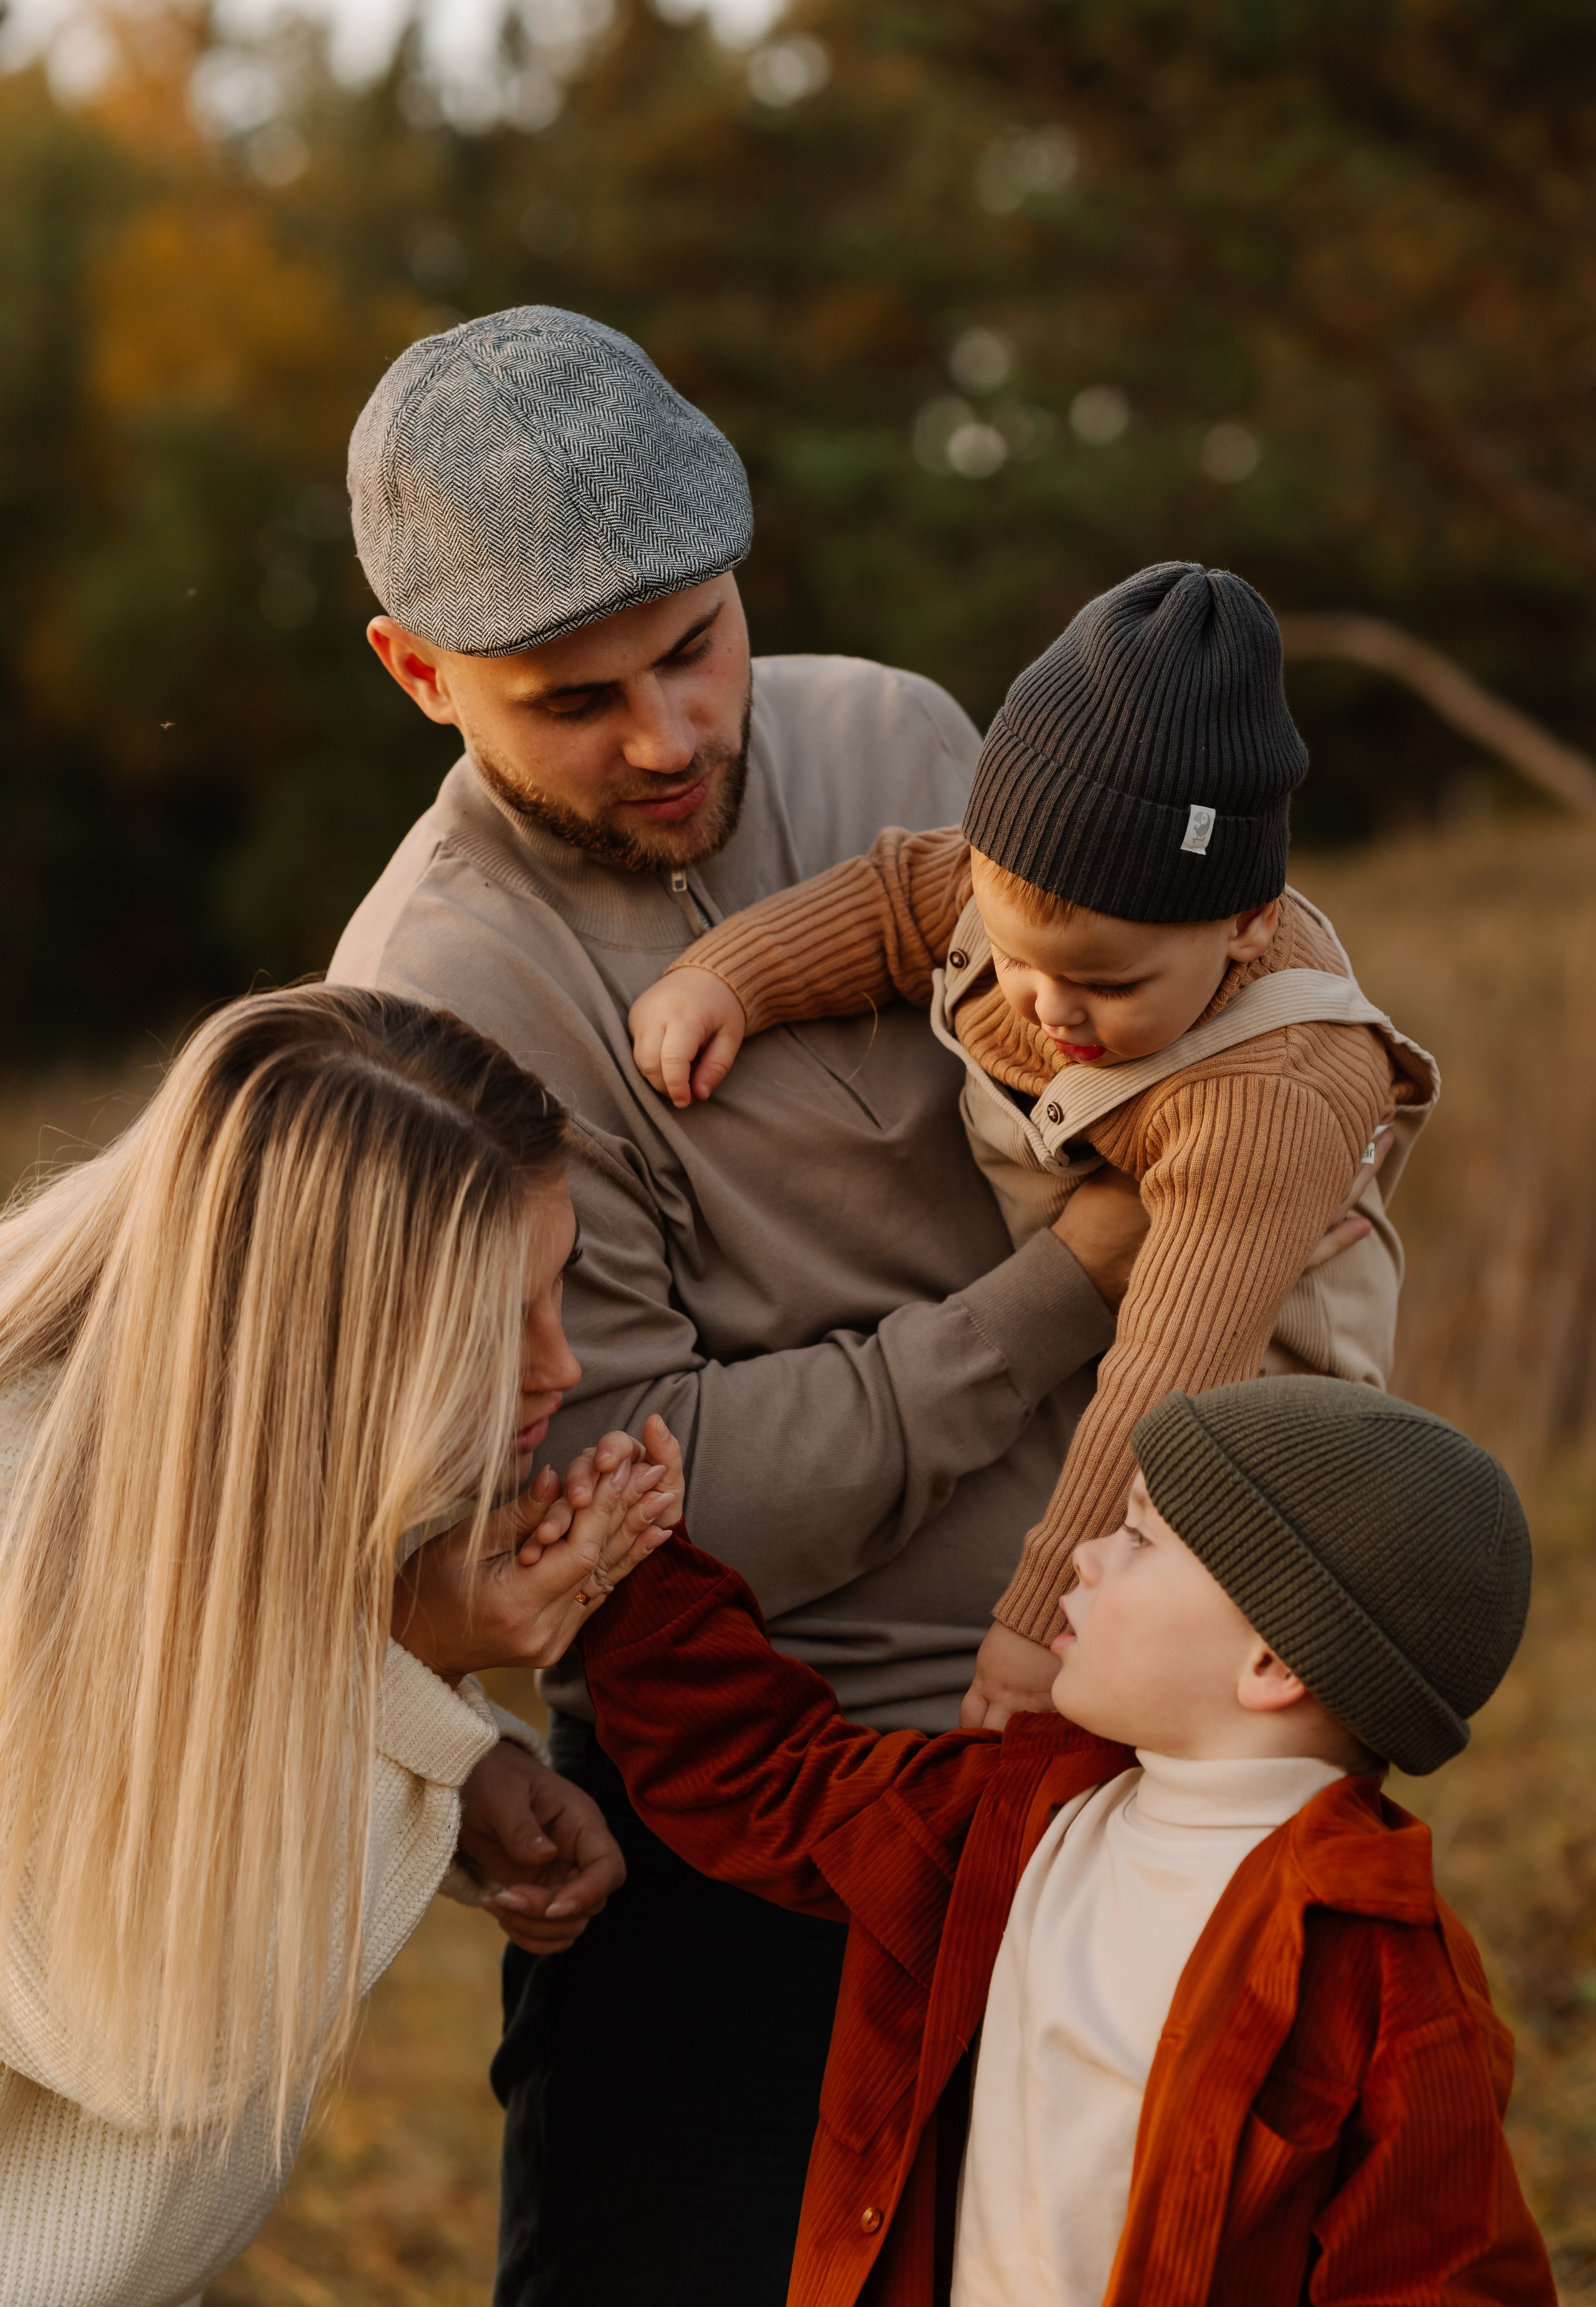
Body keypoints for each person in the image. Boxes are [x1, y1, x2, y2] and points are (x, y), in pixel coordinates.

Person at [331, 309, 1378, 2306]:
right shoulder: (432, 1005)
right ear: (416, 673)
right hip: (765, 1814)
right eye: (573, 698)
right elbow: (640, 1506)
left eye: (695, 645)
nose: (667, 735)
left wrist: (1271, 1141)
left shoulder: (905, 737)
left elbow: (1173, 997)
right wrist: (1083, 1274)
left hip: (1143, 1740)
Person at [627, 560, 1438, 1730]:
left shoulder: (1271, 1088)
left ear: (1247, 926)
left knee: (1203, 1697)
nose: (1050, 1008)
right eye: (1015, 957)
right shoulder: (1008, 888)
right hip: (1101, 1328)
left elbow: (1169, 1389)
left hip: (1241, 1396)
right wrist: (729, 975)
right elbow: (893, 901)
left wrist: (1039, 1625)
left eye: (1108, 983)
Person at [579, 1375, 1555, 2307]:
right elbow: (777, 1777)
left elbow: (1438, 2279)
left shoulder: (1383, 1973)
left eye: (1139, 1534)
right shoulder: (1028, 1809)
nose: (1086, 1554)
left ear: (1269, 1660)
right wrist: (632, 1569)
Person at [0, 987, 680, 2307]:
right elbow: (167, 2046)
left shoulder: (183, 1428)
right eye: (500, 1326)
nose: (562, 1364)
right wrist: (422, 1660)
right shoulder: (21, 1526)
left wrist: (463, 1756)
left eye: (560, 1289)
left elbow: (225, 1665)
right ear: (336, 1341)